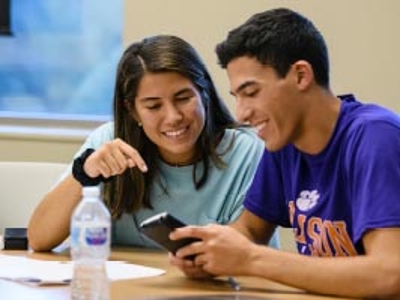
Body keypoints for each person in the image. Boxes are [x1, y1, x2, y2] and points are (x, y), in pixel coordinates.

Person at [169, 8, 400, 299]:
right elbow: (250, 230)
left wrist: (251, 259)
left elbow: (390, 275)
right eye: (237, 97)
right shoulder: (284, 140)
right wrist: (210, 253)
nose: (241, 114)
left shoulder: (376, 136)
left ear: (301, 75)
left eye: (251, 93)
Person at [27, 35, 279, 252]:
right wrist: (86, 174)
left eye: (183, 98)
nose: (173, 117)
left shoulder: (248, 151)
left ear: (204, 94)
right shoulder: (109, 142)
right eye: (153, 106)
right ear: (133, 111)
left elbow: (247, 249)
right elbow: (39, 239)